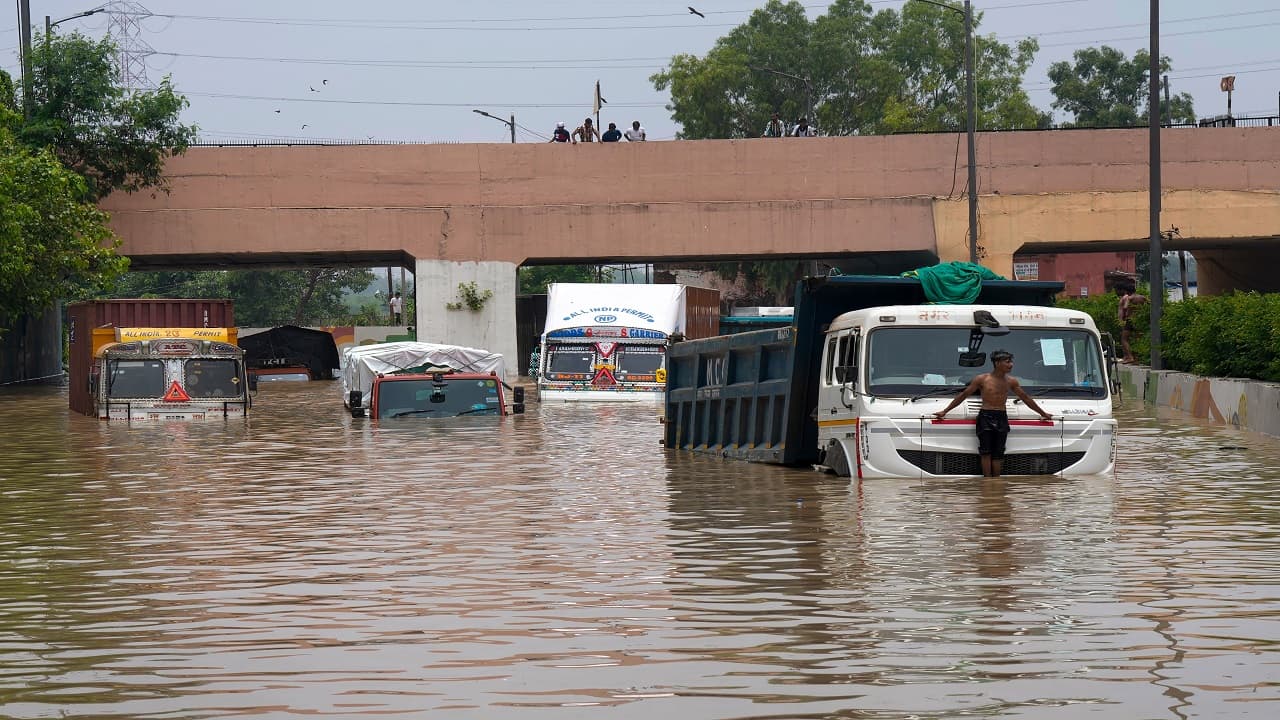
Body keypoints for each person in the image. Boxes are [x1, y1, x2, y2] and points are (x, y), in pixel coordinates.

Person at [933, 350, 1053, 478]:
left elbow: (1026, 398)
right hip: (985, 416)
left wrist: (1043, 413)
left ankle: (996, 481)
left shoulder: (1011, 381)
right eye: (1007, 362)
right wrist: (945, 411)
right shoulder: (982, 379)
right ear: (997, 363)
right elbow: (963, 395)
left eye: (1011, 362)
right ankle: (987, 481)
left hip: (1001, 416)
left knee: (999, 452)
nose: (1011, 365)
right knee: (985, 452)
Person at [1117, 285, 1147, 364]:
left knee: (1124, 339)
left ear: (1127, 291)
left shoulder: (1129, 298)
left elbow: (1125, 307)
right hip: (1139, 320)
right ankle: (1138, 358)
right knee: (1138, 339)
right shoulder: (1142, 297)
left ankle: (1129, 357)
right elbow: (1149, 304)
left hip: (1130, 320)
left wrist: (1123, 316)